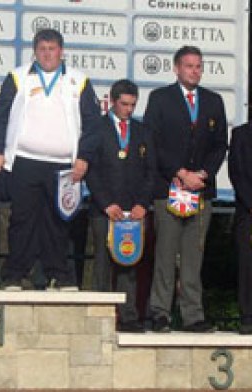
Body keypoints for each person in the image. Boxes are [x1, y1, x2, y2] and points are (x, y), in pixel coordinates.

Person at [0, 28, 102, 291]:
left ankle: (58, 274)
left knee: (58, 220)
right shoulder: (18, 77)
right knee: (21, 220)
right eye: (42, 49)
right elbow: (0, 115)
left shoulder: (78, 81)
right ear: (35, 51)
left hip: (63, 164)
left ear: (61, 52)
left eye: (52, 49)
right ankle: (16, 274)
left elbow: (92, 123)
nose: (47, 54)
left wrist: (84, 157)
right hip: (25, 161)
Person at [146, 46, 227, 332]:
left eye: (199, 66)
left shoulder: (214, 101)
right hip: (169, 188)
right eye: (189, 66)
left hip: (200, 191)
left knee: (194, 256)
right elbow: (152, 142)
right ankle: (159, 313)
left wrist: (202, 175)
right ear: (176, 68)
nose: (195, 71)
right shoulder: (160, 99)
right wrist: (179, 173)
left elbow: (220, 145)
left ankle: (193, 315)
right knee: (166, 255)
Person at [87, 79, 156, 332]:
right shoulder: (97, 128)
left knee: (129, 261)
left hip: (133, 210)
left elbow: (151, 172)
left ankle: (128, 317)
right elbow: (90, 170)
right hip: (104, 209)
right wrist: (106, 204)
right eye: (124, 104)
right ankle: (99, 318)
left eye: (132, 105)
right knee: (103, 263)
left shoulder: (143, 132)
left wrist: (142, 204)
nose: (128, 109)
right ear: (113, 101)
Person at [228, 122, 252, 335]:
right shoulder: (240, 134)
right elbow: (236, 172)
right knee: (247, 264)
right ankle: (248, 317)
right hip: (248, 211)